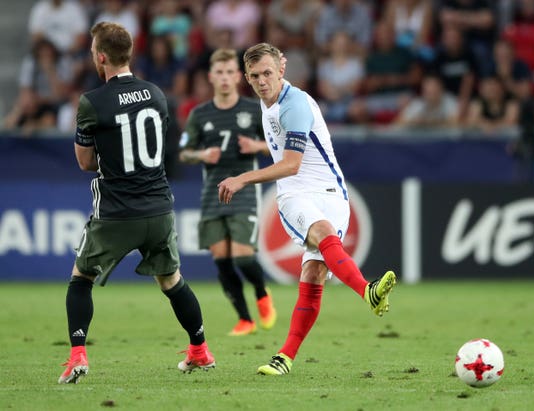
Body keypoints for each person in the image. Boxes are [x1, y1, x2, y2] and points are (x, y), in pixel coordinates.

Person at [218, 42, 397, 375]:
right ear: (247, 76)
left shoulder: (295, 104)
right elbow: (281, 149)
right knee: (323, 235)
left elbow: (291, 164)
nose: (261, 81)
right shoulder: (266, 101)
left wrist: (243, 178)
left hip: (330, 193)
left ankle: (285, 357)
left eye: (267, 73)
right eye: (255, 75)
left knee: (313, 272)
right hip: (295, 196)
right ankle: (367, 292)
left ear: (282, 69)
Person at [57, 22, 215, 384]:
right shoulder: (157, 95)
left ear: (100, 57)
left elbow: (84, 163)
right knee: (172, 280)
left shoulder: (92, 102)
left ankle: (78, 355)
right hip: (159, 208)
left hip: (116, 211)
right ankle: (200, 349)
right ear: (129, 54)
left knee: (80, 279)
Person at [178, 48, 277, 336]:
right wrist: (201, 155)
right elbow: (183, 154)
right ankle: (245, 319)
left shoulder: (253, 109)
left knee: (243, 257)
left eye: (229, 72)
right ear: (211, 77)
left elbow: (278, 146)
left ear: (239, 76)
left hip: (244, 189)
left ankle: (261, 293)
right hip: (213, 193)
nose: (224, 78)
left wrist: (257, 147)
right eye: (219, 73)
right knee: (222, 260)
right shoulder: (199, 114)